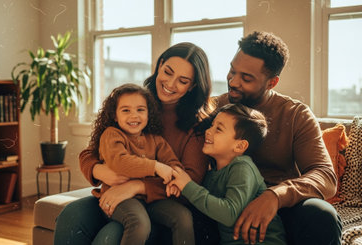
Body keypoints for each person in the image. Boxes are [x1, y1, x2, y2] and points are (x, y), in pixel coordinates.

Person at [53, 42, 215, 245]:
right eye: (167, 72)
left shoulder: (197, 127)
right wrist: (98, 170)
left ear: (192, 86)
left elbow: (189, 182)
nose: (171, 84)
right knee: (71, 214)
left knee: (112, 236)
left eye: (182, 81)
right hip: (119, 195)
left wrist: (136, 186)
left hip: (162, 203)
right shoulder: (136, 102)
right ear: (160, 65)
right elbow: (92, 151)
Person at [214, 31, 342, 245]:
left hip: (281, 207)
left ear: (272, 83)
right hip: (227, 205)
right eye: (232, 70)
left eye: (246, 78)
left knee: (322, 215)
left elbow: (325, 175)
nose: (233, 81)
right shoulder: (215, 108)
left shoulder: (295, 114)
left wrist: (274, 196)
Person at [89, 83, 193, 245]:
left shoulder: (155, 139)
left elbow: (172, 162)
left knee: (183, 217)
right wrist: (156, 167)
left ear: (149, 113)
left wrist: (174, 178)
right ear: (114, 115)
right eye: (126, 110)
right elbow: (120, 162)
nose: (134, 116)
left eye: (140, 110)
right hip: (118, 200)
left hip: (149, 199)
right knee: (140, 223)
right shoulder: (111, 135)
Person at [169, 103, 287, 245]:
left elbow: (228, 214)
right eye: (212, 125)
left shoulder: (242, 167)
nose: (208, 131)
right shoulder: (212, 172)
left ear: (240, 146)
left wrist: (187, 186)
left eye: (218, 129)